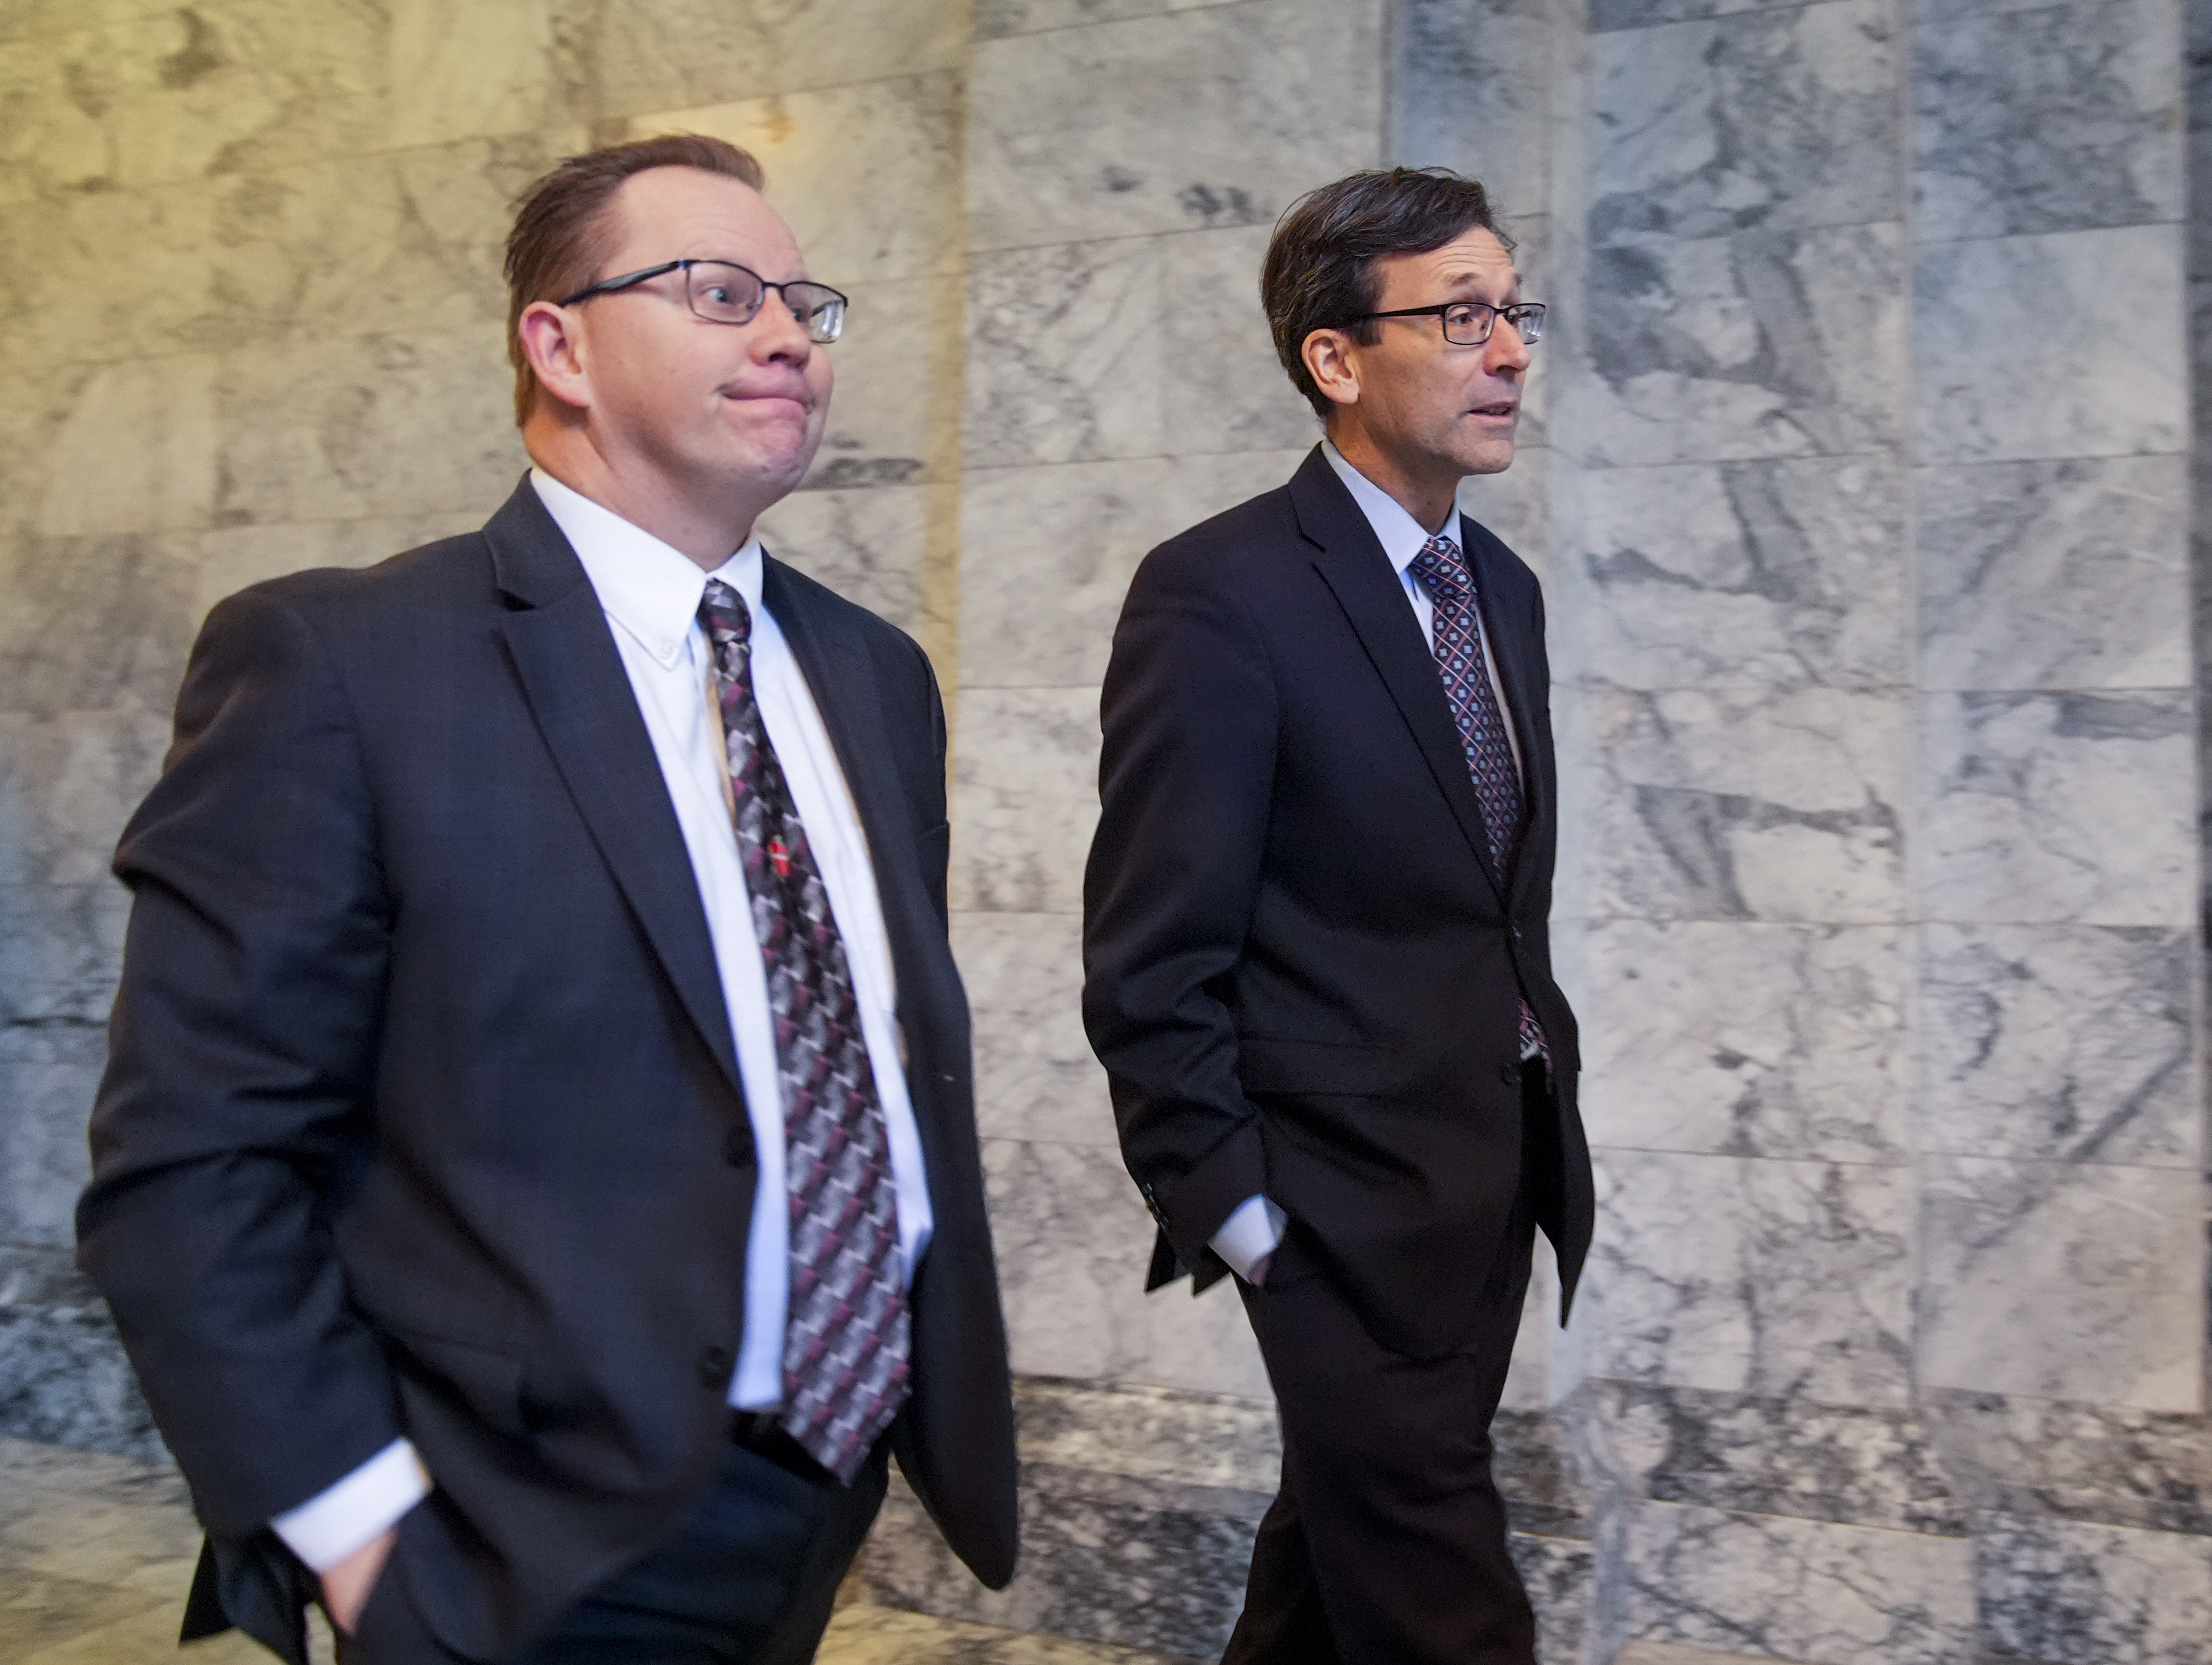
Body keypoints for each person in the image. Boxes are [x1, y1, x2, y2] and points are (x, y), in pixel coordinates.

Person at [76, 135, 1015, 1665]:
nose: (785, 332)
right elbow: (192, 1162)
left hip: (826, 1485)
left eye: (801, 300)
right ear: (557, 343)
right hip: (508, 1531)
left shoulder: (872, 673)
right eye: (719, 293)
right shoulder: (342, 662)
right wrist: (363, 1535)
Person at [1081, 167, 1594, 1664]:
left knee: (1332, 1568)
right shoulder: (1219, 593)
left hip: (1490, 1174)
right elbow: (1150, 950)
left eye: (1514, 313)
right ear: (1334, 356)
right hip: (1326, 1212)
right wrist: (1243, 1218)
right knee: (1445, 1596)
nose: (1507, 350)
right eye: (1460, 316)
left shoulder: (1498, 587)